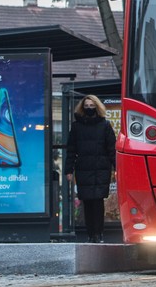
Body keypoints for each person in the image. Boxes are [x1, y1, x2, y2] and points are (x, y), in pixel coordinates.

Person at [64, 95, 117, 243]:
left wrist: (117, 167)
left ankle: (98, 233)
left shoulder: (105, 125)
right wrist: (68, 170)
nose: (89, 108)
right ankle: (91, 234)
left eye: (92, 106)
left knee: (98, 202)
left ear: (97, 107)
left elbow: (112, 149)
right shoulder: (76, 127)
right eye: (86, 106)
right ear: (82, 108)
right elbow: (71, 150)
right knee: (87, 202)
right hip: (84, 168)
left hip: (100, 168)